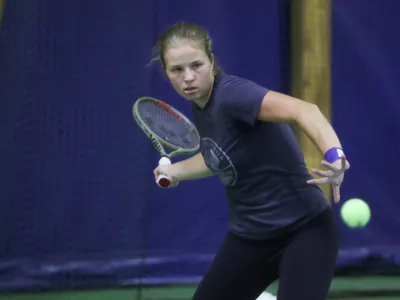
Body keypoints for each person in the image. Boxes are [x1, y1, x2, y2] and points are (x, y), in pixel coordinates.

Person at [152, 21, 350, 300]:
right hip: (248, 239)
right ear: (166, 72)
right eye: (177, 70)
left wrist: (335, 155)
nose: (188, 77)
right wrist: (174, 171)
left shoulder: (234, 94)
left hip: (303, 232)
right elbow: (216, 158)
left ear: (211, 61)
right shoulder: (201, 106)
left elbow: (305, 110)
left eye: (196, 65)